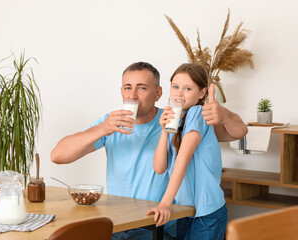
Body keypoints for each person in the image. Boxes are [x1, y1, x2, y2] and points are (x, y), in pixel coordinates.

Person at [51, 62, 247, 240]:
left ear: (158, 93)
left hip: (156, 227)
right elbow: (57, 156)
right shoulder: (111, 123)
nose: (132, 95)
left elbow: (236, 132)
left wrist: (224, 114)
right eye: (128, 88)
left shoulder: (179, 118)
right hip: (117, 225)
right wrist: (102, 128)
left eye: (142, 88)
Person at [146, 63, 228, 240]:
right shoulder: (177, 118)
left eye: (187, 88)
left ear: (201, 93)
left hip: (207, 212)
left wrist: (165, 204)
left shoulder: (198, 113)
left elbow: (183, 158)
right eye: (175, 87)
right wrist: (164, 130)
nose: (179, 93)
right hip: (186, 210)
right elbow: (159, 168)